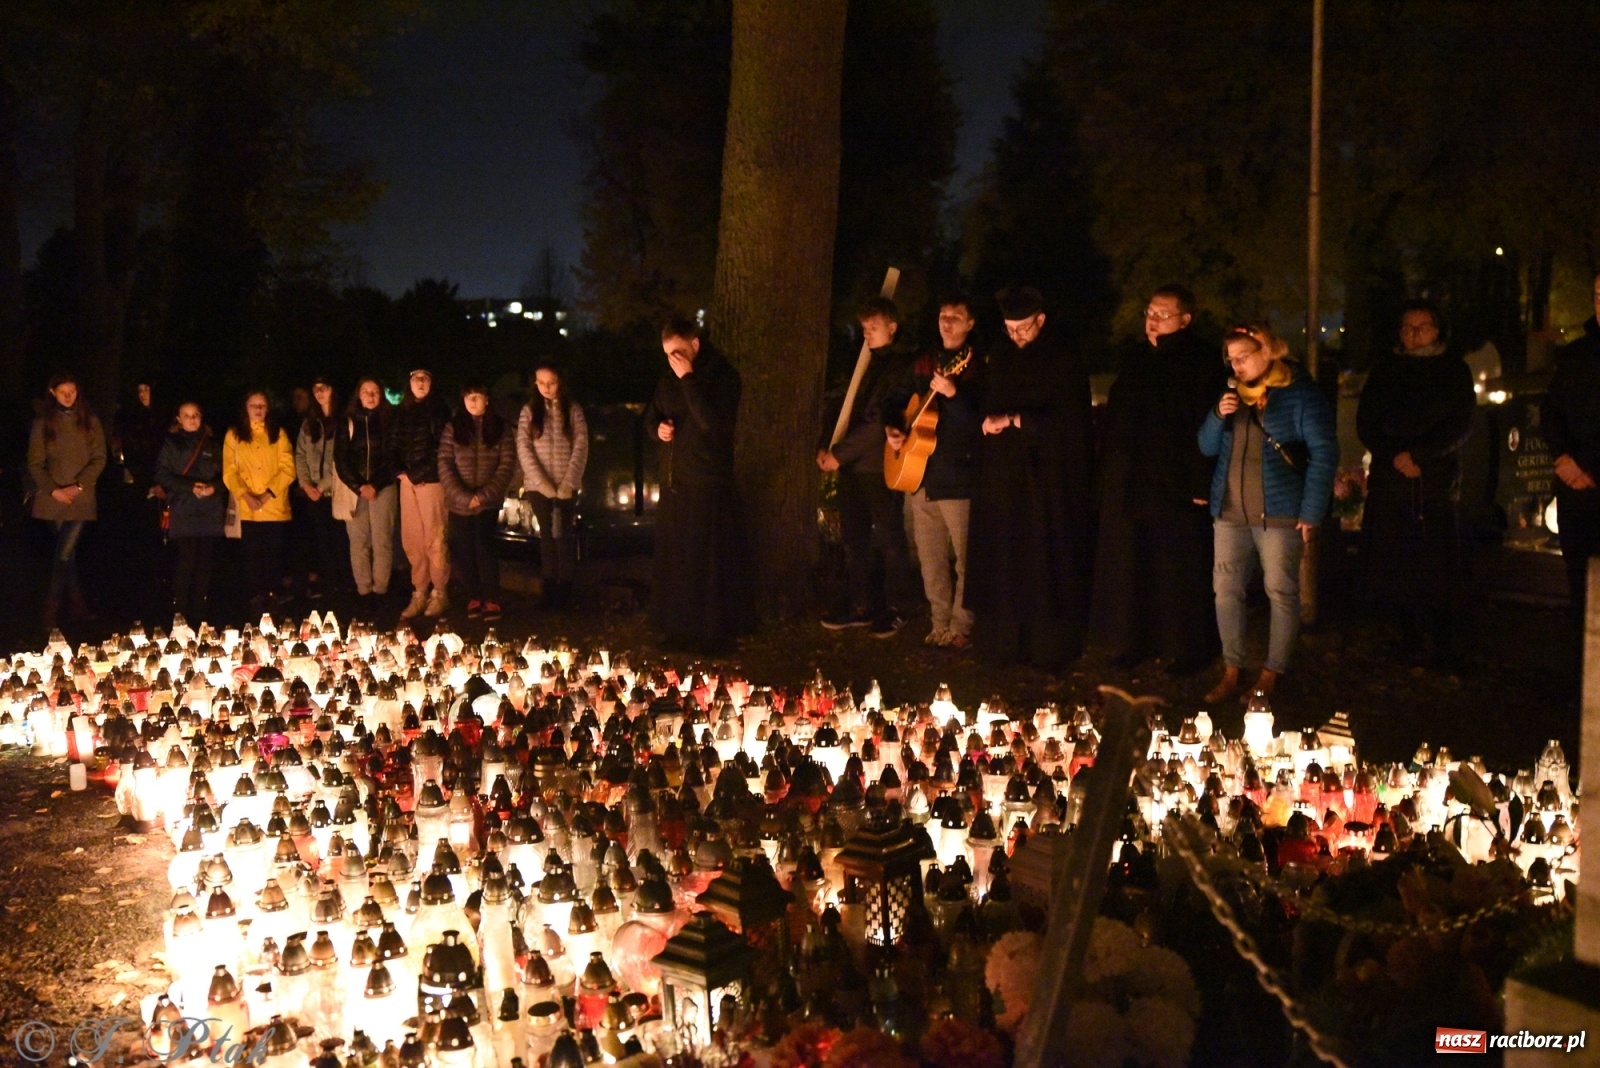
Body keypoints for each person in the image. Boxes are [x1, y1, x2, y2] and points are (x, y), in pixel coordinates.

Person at [1090, 285, 1226, 673]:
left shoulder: (1200, 360)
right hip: (1132, 481)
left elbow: (1206, 423)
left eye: (1162, 314)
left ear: (1185, 319)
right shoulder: (1137, 358)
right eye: (1149, 312)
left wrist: (1201, 481)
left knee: (1177, 567)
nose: (1153, 320)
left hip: (1175, 482)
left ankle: (1188, 649)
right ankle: (1132, 640)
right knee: (1131, 565)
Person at [1199, 324, 1337, 702]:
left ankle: (1272, 672)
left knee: (1280, 590)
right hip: (1230, 511)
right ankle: (1232, 669)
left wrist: (1311, 511)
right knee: (1225, 590)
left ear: (1268, 351)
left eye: (1243, 356)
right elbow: (1207, 447)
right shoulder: (1232, 395)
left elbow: (1324, 453)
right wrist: (1216, 414)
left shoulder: (1300, 392)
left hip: (1280, 512)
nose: (1236, 365)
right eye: (1231, 358)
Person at [965, 285, 1095, 672]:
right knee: (1004, 556)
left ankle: (1048, 647)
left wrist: (1017, 420)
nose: (1017, 336)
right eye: (1010, 329)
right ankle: (1004, 643)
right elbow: (986, 399)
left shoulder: (1063, 357)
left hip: (1047, 481)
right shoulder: (1001, 354)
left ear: (1041, 319)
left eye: (1023, 328)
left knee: (1044, 559)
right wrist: (987, 420)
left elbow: (1073, 422)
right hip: (1002, 478)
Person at [1356, 300, 1476, 666]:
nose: (1414, 334)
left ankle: (1440, 637)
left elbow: (1460, 423)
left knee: (1435, 559)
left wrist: (1420, 456)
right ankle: (1403, 633)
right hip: (1391, 480)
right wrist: (1394, 454)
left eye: (1422, 327)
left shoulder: (1453, 370)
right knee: (1395, 559)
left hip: (1433, 480)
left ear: (1437, 330)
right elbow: (1367, 421)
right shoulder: (1385, 370)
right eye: (1407, 327)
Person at [646, 316, 753, 652]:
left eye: (678, 351)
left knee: (708, 561)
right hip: (676, 481)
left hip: (708, 481)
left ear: (694, 344)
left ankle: (712, 632)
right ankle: (678, 626)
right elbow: (653, 413)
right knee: (678, 559)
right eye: (667, 354)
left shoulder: (721, 377)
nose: (673, 359)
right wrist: (657, 429)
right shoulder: (668, 379)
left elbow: (714, 423)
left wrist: (689, 380)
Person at [883, 294, 982, 649]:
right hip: (920, 474)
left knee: (966, 560)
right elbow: (896, 400)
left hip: (958, 476)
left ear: (970, 324)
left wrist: (954, 396)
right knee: (930, 558)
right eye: (943, 315)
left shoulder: (974, 364)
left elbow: (977, 423)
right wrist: (894, 428)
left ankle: (961, 627)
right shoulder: (924, 361)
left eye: (956, 316)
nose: (947, 322)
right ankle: (938, 621)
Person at [817, 296, 918, 638]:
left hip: (878, 465)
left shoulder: (898, 366)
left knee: (890, 537)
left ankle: (898, 606)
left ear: (893, 327)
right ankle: (861, 604)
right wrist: (827, 445)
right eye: (863, 328)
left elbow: (877, 420)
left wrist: (840, 454)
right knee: (854, 538)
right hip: (853, 466)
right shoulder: (867, 362)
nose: (867, 334)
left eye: (873, 327)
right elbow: (848, 406)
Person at [27, 373, 107, 632]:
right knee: (67, 555)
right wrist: (53, 491)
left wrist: (80, 484)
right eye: (63, 392)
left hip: (80, 497)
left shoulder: (90, 421)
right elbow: (35, 463)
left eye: (72, 392)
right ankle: (77, 605)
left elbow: (99, 457)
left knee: (63, 552)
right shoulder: (43, 422)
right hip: (54, 498)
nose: (69, 396)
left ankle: (50, 609)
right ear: (53, 393)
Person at [1543, 270, 1600, 633]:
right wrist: (1563, 457)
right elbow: (1552, 411)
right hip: (1576, 494)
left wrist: (1592, 469)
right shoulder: (1576, 355)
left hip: (1589, 479)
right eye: (1597, 294)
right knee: (1581, 588)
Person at [441, 383, 517, 621]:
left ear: (487, 399)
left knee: (484, 545)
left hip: (488, 501)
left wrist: (483, 496)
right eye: (469, 397)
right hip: (459, 501)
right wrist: (464, 496)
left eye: (478, 397)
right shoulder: (453, 427)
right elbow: (445, 464)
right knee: (463, 548)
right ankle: (474, 595)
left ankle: (492, 597)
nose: (474, 402)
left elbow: (506, 465)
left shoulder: (500, 428)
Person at [516, 362, 590, 609]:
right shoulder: (529, 411)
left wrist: (568, 482)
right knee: (547, 535)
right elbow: (524, 449)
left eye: (552, 382)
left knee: (564, 535)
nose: (547, 388)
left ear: (561, 381)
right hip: (539, 487)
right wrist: (543, 484)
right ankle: (549, 589)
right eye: (541, 383)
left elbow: (581, 446)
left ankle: (566, 589)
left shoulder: (573, 410)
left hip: (566, 484)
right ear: (535, 384)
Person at [222, 390, 296, 614]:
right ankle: (255, 598)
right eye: (253, 405)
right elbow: (229, 471)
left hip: (273, 506)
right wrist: (246, 495)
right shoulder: (234, 435)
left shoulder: (279, 434)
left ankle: (273, 597)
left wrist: (265, 495)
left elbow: (288, 468)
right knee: (251, 555)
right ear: (245, 408)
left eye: (262, 405)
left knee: (274, 554)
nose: (258, 410)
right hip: (248, 508)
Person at [155, 401, 226, 621]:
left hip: (209, 509)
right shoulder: (171, 443)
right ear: (178, 418)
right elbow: (161, 474)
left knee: (205, 561)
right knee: (185, 561)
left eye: (196, 414)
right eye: (187, 415)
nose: (192, 419)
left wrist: (215, 487)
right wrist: (189, 487)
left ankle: (201, 612)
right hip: (184, 508)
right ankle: (180, 613)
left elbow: (228, 474)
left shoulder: (213, 444)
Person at [335, 378, 399, 605]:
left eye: (375, 392)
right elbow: (341, 459)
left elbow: (394, 456)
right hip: (357, 491)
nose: (370, 396)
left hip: (384, 487)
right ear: (358, 395)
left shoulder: (390, 422)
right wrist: (359, 486)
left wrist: (376, 485)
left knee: (382, 540)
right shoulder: (348, 422)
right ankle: (364, 590)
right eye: (365, 392)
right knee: (359, 540)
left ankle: (380, 590)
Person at [396, 368, 453, 619]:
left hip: (431, 482)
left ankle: (439, 591)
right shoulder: (403, 411)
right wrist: (401, 471)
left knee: (435, 537)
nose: (420, 382)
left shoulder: (439, 410)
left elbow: (441, 449)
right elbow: (394, 444)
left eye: (425, 378)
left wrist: (418, 473)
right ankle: (419, 591)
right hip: (407, 482)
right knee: (412, 539)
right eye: (416, 378)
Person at [294, 378, 351, 601]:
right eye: (315, 389)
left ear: (332, 390)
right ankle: (329, 587)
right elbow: (300, 454)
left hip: (335, 490)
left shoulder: (342, 421)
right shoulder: (309, 423)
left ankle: (344, 586)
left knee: (339, 540)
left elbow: (341, 456)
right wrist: (306, 484)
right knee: (321, 541)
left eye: (324, 388)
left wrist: (322, 484)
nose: (319, 393)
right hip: (313, 493)